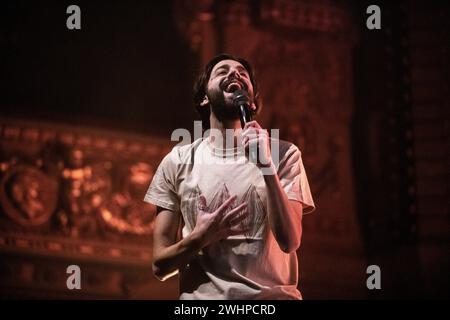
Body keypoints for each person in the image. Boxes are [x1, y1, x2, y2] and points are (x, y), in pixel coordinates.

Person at [144, 53, 315, 300]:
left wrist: (266, 166)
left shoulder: (284, 154)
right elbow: (160, 266)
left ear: (252, 103)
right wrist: (199, 238)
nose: (234, 74)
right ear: (204, 97)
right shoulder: (178, 161)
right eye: (222, 71)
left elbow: (289, 241)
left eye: (242, 73)